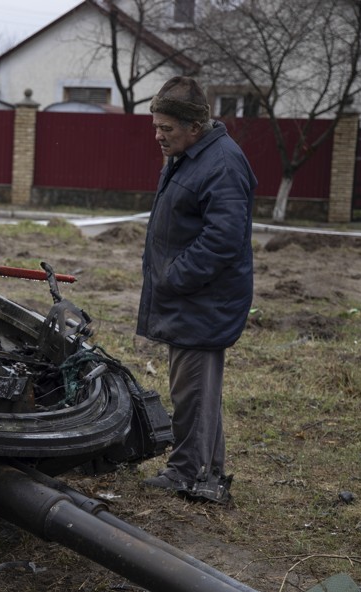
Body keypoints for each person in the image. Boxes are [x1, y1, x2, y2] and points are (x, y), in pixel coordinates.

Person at [138, 76, 257, 504]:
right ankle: (206, 472)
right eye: (156, 126)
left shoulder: (221, 163)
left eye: (166, 128)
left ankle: (190, 475)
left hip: (203, 300)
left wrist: (175, 277)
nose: (158, 136)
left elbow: (223, 240)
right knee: (196, 390)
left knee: (193, 391)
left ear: (194, 126)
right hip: (191, 298)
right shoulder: (189, 156)